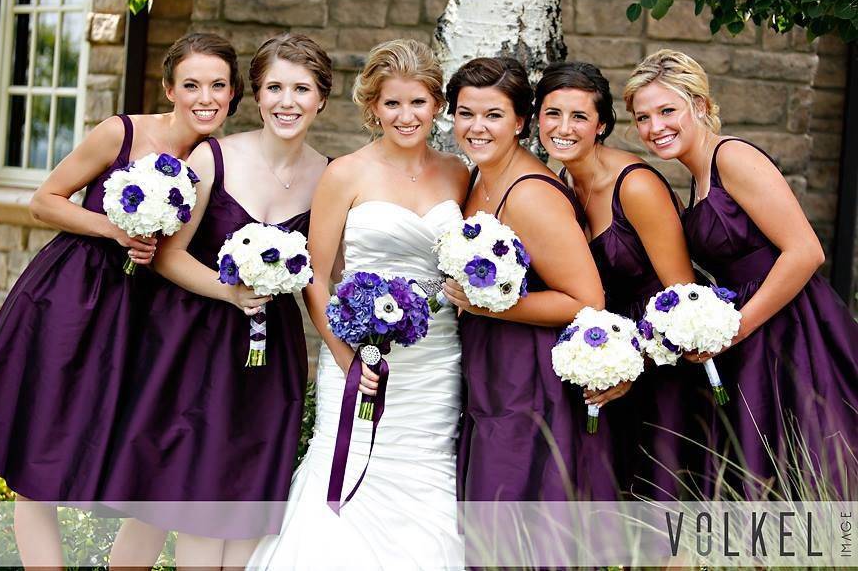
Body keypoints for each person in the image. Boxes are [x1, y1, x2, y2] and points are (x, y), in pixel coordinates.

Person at [0, 32, 236, 566]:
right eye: (191, 84)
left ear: (234, 95)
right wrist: (113, 228)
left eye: (218, 85)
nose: (205, 97)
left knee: (133, 462)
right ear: (169, 88)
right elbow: (44, 200)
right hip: (73, 300)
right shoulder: (120, 133)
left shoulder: (222, 160)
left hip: (148, 320)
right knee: (40, 458)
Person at [104, 33, 333, 568]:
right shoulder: (214, 158)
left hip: (268, 358)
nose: (287, 101)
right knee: (163, 496)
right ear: (255, 94)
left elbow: (326, 273)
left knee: (246, 493)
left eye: (301, 89)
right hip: (192, 343)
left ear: (321, 98)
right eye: (274, 87)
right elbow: (167, 256)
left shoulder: (330, 175)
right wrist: (230, 292)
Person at [248, 39, 470, 569]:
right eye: (392, 103)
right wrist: (347, 357)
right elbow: (316, 278)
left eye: (417, 102)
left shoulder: (459, 174)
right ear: (372, 107)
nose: (405, 115)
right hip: (357, 359)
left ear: (436, 104)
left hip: (436, 362)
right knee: (346, 476)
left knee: (428, 480)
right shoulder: (345, 173)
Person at [625, 48, 858, 499]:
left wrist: (735, 329)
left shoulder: (732, 157)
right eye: (643, 117)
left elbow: (805, 251)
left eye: (667, 110)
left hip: (790, 325)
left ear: (702, 106)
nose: (655, 128)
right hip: (755, 328)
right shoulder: (697, 177)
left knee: (819, 456)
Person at [443, 57, 614, 506]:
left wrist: (486, 305)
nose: (477, 127)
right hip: (489, 366)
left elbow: (586, 300)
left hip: (527, 376)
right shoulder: (479, 176)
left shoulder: (531, 194)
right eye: (466, 113)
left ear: (520, 121)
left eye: (493, 115)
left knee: (510, 510)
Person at [536, 61, 701, 500]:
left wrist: (634, 367)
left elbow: (686, 301)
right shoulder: (560, 185)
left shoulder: (636, 186)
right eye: (552, 113)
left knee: (668, 503)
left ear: (602, 124)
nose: (563, 128)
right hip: (611, 363)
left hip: (667, 367)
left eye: (579, 116)